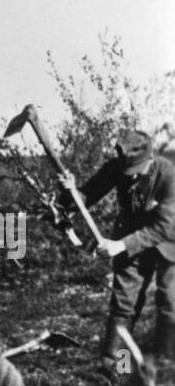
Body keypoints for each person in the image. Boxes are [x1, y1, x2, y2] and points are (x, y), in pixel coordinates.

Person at [59, 129, 175, 367]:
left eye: (137, 171)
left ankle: (167, 363)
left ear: (151, 158)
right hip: (130, 235)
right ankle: (116, 365)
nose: (132, 177)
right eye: (127, 172)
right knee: (124, 304)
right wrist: (69, 190)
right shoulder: (116, 167)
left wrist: (120, 245)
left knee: (170, 301)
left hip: (169, 240)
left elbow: (162, 228)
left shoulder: (169, 174)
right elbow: (86, 196)